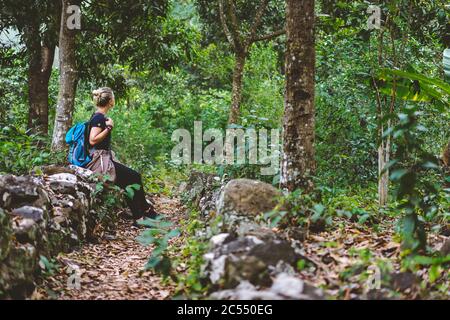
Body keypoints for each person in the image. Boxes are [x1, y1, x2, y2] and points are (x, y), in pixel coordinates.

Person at [86, 87, 157, 225]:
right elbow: (92, 139)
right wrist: (109, 128)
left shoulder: (99, 116)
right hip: (99, 161)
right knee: (134, 176)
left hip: (104, 158)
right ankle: (146, 211)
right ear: (110, 101)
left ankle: (139, 218)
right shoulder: (99, 117)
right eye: (113, 97)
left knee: (128, 181)